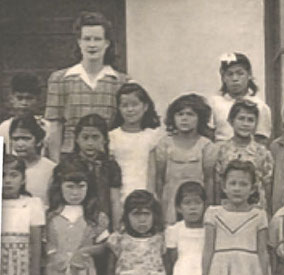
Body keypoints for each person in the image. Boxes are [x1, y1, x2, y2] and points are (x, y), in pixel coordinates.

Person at [66, 113, 122, 275]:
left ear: (104, 140)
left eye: (96, 138)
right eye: (85, 137)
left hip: (102, 227)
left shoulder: (110, 166)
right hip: (74, 228)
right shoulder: (67, 164)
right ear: (76, 139)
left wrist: (116, 230)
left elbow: (115, 199)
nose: (90, 143)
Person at [45, 11, 129, 161]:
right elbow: (55, 127)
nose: (92, 44)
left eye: (97, 39)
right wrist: (56, 164)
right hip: (70, 156)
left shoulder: (121, 81)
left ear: (107, 43)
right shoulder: (60, 79)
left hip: (107, 158)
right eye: (87, 39)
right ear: (79, 42)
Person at [150, 93, 216, 223]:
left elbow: (209, 180)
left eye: (190, 114)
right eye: (180, 114)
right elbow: (159, 178)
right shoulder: (165, 144)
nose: (184, 119)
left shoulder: (206, 145)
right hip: (170, 203)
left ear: (200, 118)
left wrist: (209, 208)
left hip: (196, 204)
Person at [214, 100, 274, 213]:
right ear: (231, 121)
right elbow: (218, 183)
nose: (245, 124)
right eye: (241, 118)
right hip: (228, 209)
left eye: (250, 120)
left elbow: (267, 185)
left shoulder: (262, 152)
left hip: (255, 209)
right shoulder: (223, 150)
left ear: (256, 124)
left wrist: (269, 212)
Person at [109, 82, 161, 204]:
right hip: (119, 196)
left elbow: (153, 172)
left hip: (145, 195)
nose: (130, 109)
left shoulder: (152, 135)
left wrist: (149, 198)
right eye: (124, 105)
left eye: (135, 104)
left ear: (145, 106)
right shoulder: (112, 136)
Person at [208, 52, 271, 144]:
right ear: (223, 77)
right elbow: (208, 136)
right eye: (230, 74)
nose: (235, 79)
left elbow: (262, 140)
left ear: (249, 75)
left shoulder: (260, 106)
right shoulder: (214, 103)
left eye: (240, 73)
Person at [0, 73, 49, 154]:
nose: (24, 103)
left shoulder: (47, 127)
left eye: (29, 98)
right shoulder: (4, 128)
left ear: (38, 100)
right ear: (11, 99)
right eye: (20, 98)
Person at [9, 114, 56, 205]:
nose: (20, 144)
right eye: (16, 139)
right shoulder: (5, 166)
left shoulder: (51, 169)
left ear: (38, 141)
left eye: (26, 139)